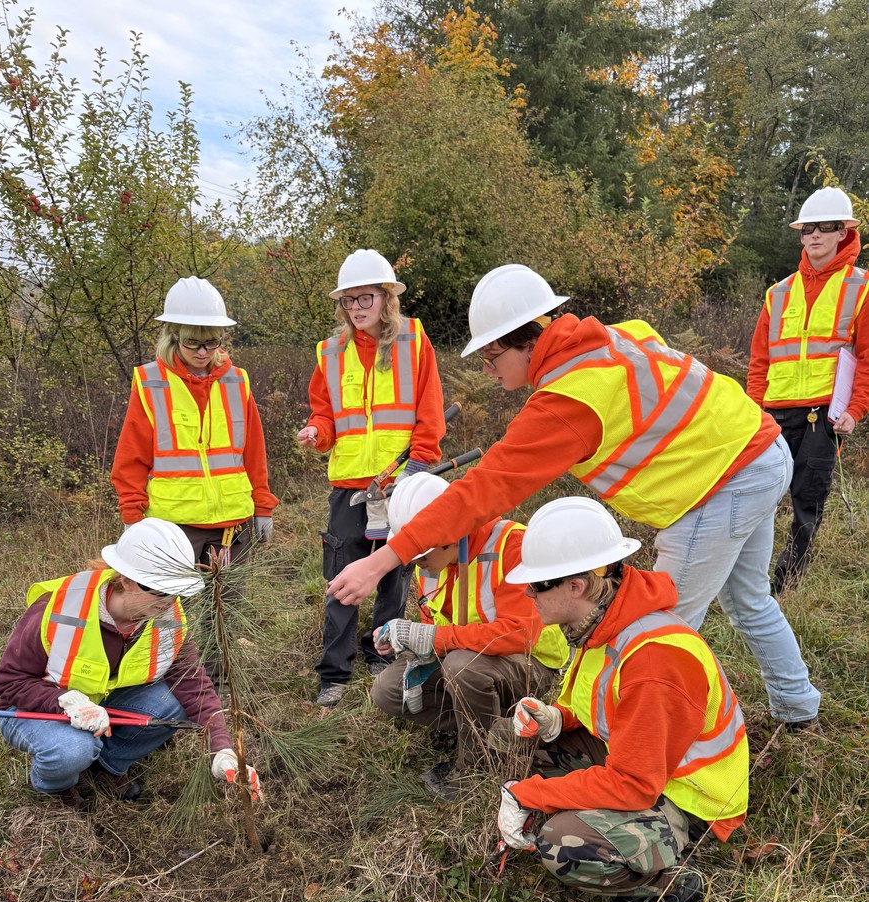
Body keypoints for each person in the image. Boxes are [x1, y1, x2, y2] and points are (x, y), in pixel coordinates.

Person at [327, 264, 821, 729]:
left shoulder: (569, 400)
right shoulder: (609, 337)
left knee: (652, 629)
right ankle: (796, 705)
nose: (486, 369)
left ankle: (619, 745)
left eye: (490, 356)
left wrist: (381, 561)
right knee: (750, 600)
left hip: (723, 481)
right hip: (758, 448)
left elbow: (483, 490)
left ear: (522, 342)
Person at [494, 498, 749, 902]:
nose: (528, 594)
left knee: (564, 843)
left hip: (686, 798)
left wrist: (529, 796)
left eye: (537, 585)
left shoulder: (653, 661)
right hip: (645, 764)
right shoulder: (603, 621)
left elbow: (634, 784)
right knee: (520, 740)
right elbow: (604, 703)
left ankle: (665, 887)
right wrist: (557, 719)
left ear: (575, 586)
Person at [0, 519, 262, 810]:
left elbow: (193, 684)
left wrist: (221, 748)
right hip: (33, 709)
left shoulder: (168, 616)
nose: (169, 601)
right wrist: (63, 701)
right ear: (126, 579)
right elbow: (9, 682)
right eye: (159, 590)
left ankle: (106, 765)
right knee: (72, 749)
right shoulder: (59, 607)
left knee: (172, 700)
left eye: (177, 591)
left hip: (105, 704)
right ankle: (55, 787)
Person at [296, 249, 445, 708]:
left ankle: (382, 652)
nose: (357, 309)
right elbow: (325, 412)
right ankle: (334, 672)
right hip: (349, 486)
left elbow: (429, 409)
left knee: (394, 572)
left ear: (386, 298)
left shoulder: (415, 341)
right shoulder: (330, 351)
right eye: (349, 301)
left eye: (366, 298)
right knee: (342, 576)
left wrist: (419, 465)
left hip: (398, 482)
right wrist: (316, 432)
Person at [370, 474, 568, 800]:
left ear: (450, 535)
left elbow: (523, 634)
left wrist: (435, 638)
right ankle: (491, 723)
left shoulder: (511, 546)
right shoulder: (432, 563)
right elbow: (431, 621)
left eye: (421, 553)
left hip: (532, 667)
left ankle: (478, 767)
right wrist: (415, 651)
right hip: (468, 665)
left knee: (463, 667)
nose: (414, 561)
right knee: (387, 691)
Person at [111, 276, 277, 590]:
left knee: (225, 610)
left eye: (211, 342)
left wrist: (263, 505)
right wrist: (131, 516)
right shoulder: (151, 383)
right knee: (176, 612)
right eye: (193, 343)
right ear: (174, 335)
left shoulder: (237, 382)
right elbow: (131, 457)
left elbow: (254, 453)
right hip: (175, 526)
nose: (203, 352)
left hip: (230, 525)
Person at [747, 187, 869, 594]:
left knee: (807, 495)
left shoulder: (861, 288)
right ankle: (747, 573)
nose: (815, 235)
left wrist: (855, 409)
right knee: (755, 491)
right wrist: (753, 411)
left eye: (826, 227)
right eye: (808, 229)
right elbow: (760, 360)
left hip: (825, 413)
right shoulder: (777, 292)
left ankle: (786, 582)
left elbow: (867, 358)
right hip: (774, 412)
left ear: (844, 232)